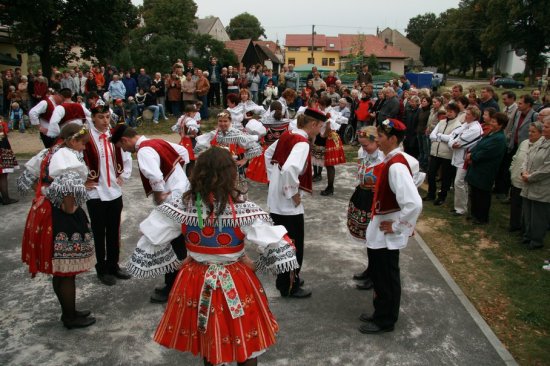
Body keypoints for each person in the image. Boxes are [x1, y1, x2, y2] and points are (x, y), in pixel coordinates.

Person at [126, 147, 298, 366]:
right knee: (245, 341)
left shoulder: (182, 206)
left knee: (208, 338)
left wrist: (181, 260)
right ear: (230, 174)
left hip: (196, 278)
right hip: (235, 278)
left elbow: (150, 237)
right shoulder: (242, 209)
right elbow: (281, 246)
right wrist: (258, 264)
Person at [20, 124, 96, 329]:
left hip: (44, 209)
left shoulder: (49, 151)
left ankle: (69, 311)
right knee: (65, 271)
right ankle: (70, 316)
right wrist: (70, 208)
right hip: (59, 214)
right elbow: (68, 188)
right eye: (82, 143)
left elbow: (29, 177)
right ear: (72, 140)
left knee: (60, 270)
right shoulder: (66, 156)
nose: (83, 147)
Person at [111, 124, 190, 303]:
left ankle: (173, 285)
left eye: (122, 147)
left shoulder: (144, 151)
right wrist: (182, 179)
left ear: (124, 140)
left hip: (171, 200)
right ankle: (178, 281)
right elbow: (183, 153)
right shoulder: (157, 141)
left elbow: (154, 176)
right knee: (178, 240)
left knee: (167, 241)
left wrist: (160, 195)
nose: (125, 150)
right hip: (182, 193)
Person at [359, 118, 423, 334]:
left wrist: (397, 225)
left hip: (387, 233)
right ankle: (381, 312)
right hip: (381, 230)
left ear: (393, 139)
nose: (377, 138)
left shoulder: (396, 165)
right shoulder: (394, 159)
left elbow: (414, 203)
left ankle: (385, 320)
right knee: (380, 275)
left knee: (386, 277)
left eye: (381, 136)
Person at [264, 108, 326, 298]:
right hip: (287, 205)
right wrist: (292, 192)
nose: (320, 131)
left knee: (282, 243)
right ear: (313, 124)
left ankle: (285, 280)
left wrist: (273, 178)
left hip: (276, 199)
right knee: (293, 245)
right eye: (320, 127)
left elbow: (268, 153)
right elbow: (291, 168)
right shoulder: (302, 142)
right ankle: (290, 285)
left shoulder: (288, 134)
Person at [83, 103, 133, 286]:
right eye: (101, 117)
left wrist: (123, 176)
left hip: (114, 191)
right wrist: (84, 181)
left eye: (107, 117)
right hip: (96, 193)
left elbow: (127, 159)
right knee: (99, 231)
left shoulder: (114, 136)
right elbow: (78, 160)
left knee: (114, 230)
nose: (105, 121)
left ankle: (114, 265)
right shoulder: (86, 138)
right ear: (93, 118)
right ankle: (101, 268)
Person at [348, 126, 384, 291]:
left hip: (374, 200)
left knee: (375, 238)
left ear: (376, 141)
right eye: (361, 145)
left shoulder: (384, 158)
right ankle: (371, 269)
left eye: (365, 145)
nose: (363, 149)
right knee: (368, 237)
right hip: (363, 195)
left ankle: (376, 275)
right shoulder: (365, 153)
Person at [465, 112, 508, 224]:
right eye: (492, 120)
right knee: (475, 192)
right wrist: (472, 154)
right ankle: (474, 214)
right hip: (477, 167)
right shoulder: (491, 133)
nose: (491, 123)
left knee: (482, 194)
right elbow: (480, 146)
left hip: (486, 170)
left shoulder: (499, 139)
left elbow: (487, 152)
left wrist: (473, 156)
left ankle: (481, 217)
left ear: (501, 125)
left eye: (494, 122)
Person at [520, 116, 550, 250]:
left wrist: (530, 177)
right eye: (544, 125)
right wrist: (523, 172)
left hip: (541, 187)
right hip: (528, 183)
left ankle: (536, 240)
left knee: (538, 216)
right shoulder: (541, 141)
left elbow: (546, 169)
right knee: (527, 213)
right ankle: (527, 235)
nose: (544, 128)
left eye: (547, 127)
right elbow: (527, 156)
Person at [448, 106, 483, 216]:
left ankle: (461, 208)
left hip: (465, 159)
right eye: (466, 113)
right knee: (458, 183)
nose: (466, 116)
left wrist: (452, 142)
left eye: (468, 114)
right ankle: (458, 206)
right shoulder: (466, 124)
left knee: (459, 182)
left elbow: (459, 143)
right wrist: (452, 142)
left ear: (474, 116)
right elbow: (452, 135)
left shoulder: (475, 128)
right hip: (458, 157)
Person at [509, 122, 542, 232]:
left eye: (533, 132)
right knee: (515, 204)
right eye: (529, 131)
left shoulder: (540, 147)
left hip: (528, 181)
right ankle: (513, 225)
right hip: (516, 179)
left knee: (525, 208)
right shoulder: (524, 143)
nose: (530, 133)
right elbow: (515, 157)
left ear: (541, 134)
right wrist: (512, 169)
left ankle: (524, 229)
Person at [425, 103, 461, 205]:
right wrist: (441, 137)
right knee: (431, 173)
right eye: (447, 111)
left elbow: (451, 138)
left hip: (447, 154)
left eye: (451, 112)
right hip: (435, 152)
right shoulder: (441, 122)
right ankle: (431, 193)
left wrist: (439, 136)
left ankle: (442, 196)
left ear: (456, 113)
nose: (448, 114)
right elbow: (432, 135)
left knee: (446, 177)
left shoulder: (458, 125)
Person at [173, 104, 200, 175]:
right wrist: (195, 133)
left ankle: (179, 175)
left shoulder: (182, 118)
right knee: (191, 160)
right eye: (193, 112)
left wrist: (182, 134)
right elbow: (192, 131)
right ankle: (190, 177)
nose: (194, 114)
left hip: (183, 141)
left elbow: (177, 128)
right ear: (189, 112)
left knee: (182, 160)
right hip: (190, 142)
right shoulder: (190, 120)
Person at [0, 115, 19, 204]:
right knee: (3, 176)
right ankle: (5, 198)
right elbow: (5, 132)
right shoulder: (1, 122)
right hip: (2, 148)